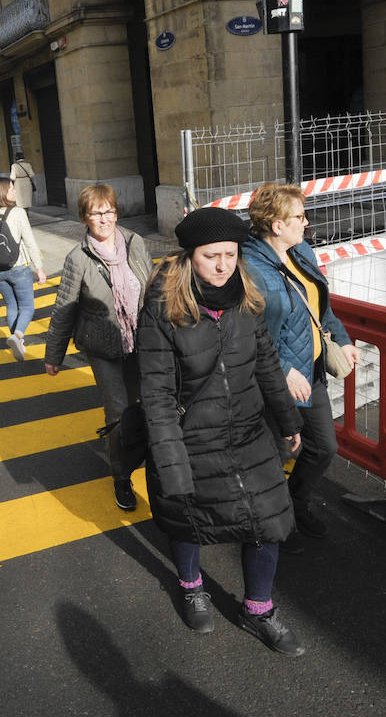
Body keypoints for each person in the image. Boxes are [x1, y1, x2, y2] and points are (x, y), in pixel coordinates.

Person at [138, 206, 305, 655]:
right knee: (188, 519)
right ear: (190, 256)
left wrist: (288, 419)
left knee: (266, 520)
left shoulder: (245, 295)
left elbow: (267, 363)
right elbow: (154, 393)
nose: (222, 265)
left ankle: (258, 610)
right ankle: (192, 587)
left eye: (230, 254)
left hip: (249, 432)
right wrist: (170, 460)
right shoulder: (163, 307)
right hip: (190, 438)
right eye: (211, 255)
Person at [241, 183, 359, 553]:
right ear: (276, 224)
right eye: (298, 217)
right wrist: (281, 368)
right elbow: (247, 332)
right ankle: (275, 523)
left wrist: (341, 339)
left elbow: (322, 306)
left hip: (311, 372)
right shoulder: (249, 267)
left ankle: (296, 501)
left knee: (323, 447)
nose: (306, 223)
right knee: (276, 455)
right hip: (275, 381)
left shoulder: (301, 251)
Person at [45, 184, 152, 512]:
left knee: (145, 405)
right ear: (84, 218)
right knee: (118, 412)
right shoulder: (78, 258)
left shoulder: (136, 243)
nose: (103, 218)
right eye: (95, 213)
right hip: (102, 346)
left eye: (108, 211)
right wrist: (54, 355)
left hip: (141, 342)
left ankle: (145, 457)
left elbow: (153, 290)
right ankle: (121, 476)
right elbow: (65, 307)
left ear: (116, 213)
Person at [0, 176, 45, 362]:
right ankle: (18, 336)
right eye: (12, 189)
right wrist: (39, 268)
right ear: (4, 193)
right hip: (19, 268)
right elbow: (30, 242)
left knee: (11, 306)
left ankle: (17, 343)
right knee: (28, 307)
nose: (15, 192)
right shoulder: (18, 213)